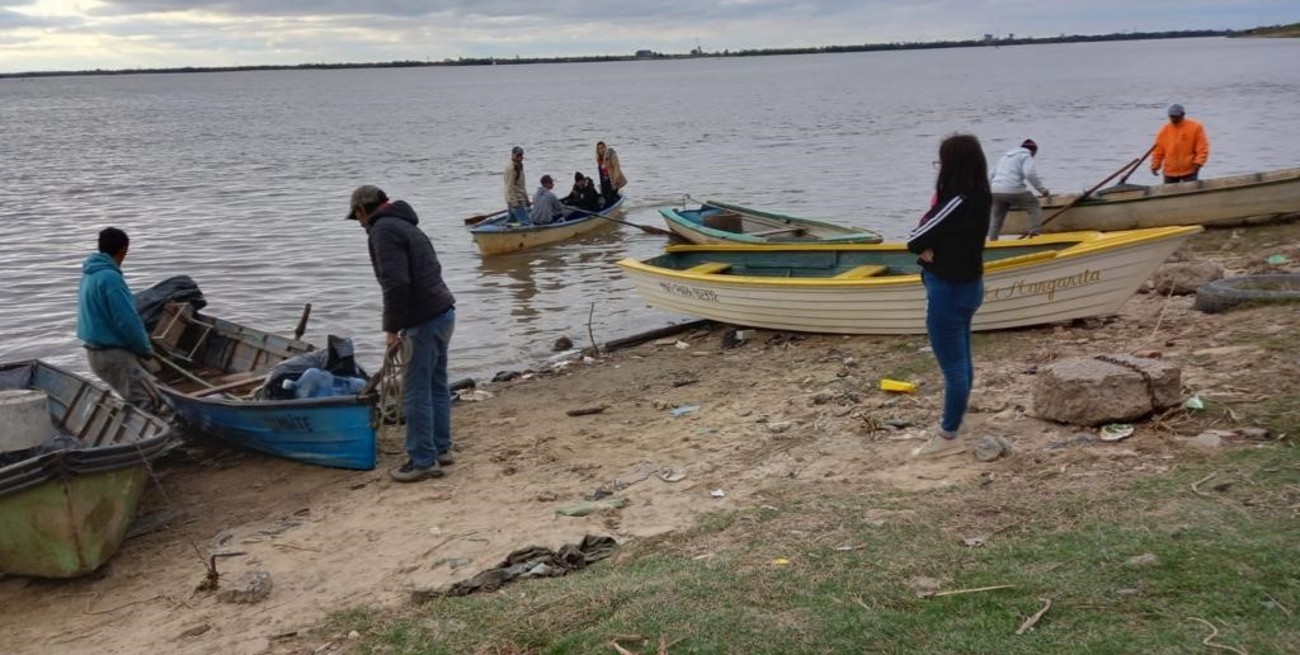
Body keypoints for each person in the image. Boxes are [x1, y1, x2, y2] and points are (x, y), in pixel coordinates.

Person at [346, 185, 457, 482]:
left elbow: (395, 284)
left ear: (362, 210)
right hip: (443, 311)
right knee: (436, 385)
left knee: (415, 391)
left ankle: (422, 460)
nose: (359, 224)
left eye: (356, 217)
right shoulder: (407, 225)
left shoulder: (382, 231)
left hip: (424, 320)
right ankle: (441, 449)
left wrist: (391, 329)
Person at [906, 134, 992, 458]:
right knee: (962, 358)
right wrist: (932, 244)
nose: (938, 168)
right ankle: (956, 421)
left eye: (940, 162)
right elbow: (937, 235)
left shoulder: (957, 201)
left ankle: (948, 435)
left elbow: (914, 238)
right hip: (969, 285)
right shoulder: (981, 195)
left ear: (952, 165)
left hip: (949, 289)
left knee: (953, 365)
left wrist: (929, 247)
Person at [76, 227, 159, 410]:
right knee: (150, 402)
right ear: (123, 250)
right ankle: (149, 437)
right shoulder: (110, 278)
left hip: (95, 355)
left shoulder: (89, 274)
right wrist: (144, 349)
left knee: (137, 399)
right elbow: (128, 320)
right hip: (113, 355)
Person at [987, 139, 1050, 240]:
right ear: (1033, 151)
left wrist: (990, 189)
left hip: (995, 190)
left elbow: (991, 174)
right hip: (1013, 189)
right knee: (1034, 207)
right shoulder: (1026, 156)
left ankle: (992, 241)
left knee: (996, 217)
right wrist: (1042, 190)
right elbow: (1029, 174)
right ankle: (1034, 235)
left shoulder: (1004, 157)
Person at [1151, 103, 1209, 183]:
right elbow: (1158, 151)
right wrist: (1155, 165)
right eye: (1171, 116)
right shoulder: (1164, 130)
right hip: (1170, 171)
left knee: (1191, 193)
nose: (1173, 119)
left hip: (1190, 170)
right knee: (1169, 194)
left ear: (1183, 115)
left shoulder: (1195, 128)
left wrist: (1199, 163)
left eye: (1176, 116)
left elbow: (1202, 148)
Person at [595, 141, 626, 208]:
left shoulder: (611, 154)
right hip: (605, 181)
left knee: (610, 198)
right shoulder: (599, 159)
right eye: (599, 148)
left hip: (613, 180)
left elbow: (616, 166)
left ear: (605, 147)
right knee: (604, 197)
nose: (601, 150)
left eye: (602, 148)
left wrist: (616, 178)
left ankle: (614, 206)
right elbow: (601, 173)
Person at [504, 146, 530, 224]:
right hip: (516, 200)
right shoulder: (511, 168)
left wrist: (526, 199)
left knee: (511, 221)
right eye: (517, 156)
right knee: (526, 222)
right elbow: (509, 186)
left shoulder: (519, 166)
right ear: (512, 156)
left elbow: (521, 185)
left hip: (519, 198)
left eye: (521, 155)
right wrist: (514, 202)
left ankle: (504, 233)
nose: (519, 158)